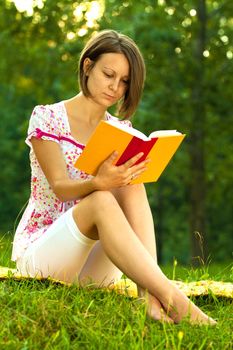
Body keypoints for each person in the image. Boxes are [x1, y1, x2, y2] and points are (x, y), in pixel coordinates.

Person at [12, 29, 216, 325]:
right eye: (109, 74)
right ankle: (177, 303)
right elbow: (59, 188)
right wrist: (98, 183)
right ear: (87, 66)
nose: (115, 87)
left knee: (132, 186)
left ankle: (149, 297)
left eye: (124, 82)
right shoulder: (47, 117)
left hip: (95, 270)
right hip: (45, 256)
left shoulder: (120, 129)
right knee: (102, 199)